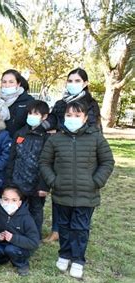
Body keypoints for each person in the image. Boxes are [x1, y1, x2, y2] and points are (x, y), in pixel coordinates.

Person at [39, 101, 114, 279]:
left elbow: (107, 162)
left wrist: (96, 181)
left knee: (80, 228)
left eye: (77, 115)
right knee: (63, 226)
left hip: (86, 195)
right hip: (61, 193)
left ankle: (78, 259)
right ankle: (64, 254)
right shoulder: (55, 139)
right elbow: (44, 162)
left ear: (85, 118)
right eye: (69, 115)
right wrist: (53, 181)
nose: (72, 119)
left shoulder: (96, 138)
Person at [42, 68, 103, 243]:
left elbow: (89, 126)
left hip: (82, 151)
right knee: (59, 189)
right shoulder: (62, 103)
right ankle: (56, 230)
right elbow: (53, 118)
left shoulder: (90, 103)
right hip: (61, 151)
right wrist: (43, 126)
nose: (73, 84)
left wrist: (60, 132)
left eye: (77, 81)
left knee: (79, 194)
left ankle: (76, 230)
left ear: (85, 84)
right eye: (70, 80)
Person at [6, 100, 51, 239]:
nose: (32, 116)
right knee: (17, 209)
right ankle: (17, 233)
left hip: (36, 183)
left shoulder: (47, 138)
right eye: (30, 113)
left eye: (36, 113)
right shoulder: (20, 134)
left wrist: (44, 186)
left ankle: (34, 236)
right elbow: (12, 157)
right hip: (17, 181)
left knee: (36, 210)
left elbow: (48, 163)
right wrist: (9, 179)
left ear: (44, 116)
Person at [0, 186, 39, 276]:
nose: (9, 203)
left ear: (20, 203)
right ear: (0, 200)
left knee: (11, 249)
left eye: (14, 200)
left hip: (20, 247)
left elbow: (34, 242)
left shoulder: (26, 218)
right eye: (6, 199)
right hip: (3, 244)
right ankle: (2, 260)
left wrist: (13, 238)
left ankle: (22, 264)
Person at [0, 69, 35, 137]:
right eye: (4, 82)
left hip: (20, 143)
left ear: (18, 84)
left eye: (11, 82)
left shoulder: (28, 101)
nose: (7, 85)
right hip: (0, 144)